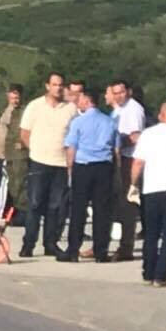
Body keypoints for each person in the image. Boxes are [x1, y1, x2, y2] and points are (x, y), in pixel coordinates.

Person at [59, 87, 118, 262]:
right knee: (102, 210)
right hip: (104, 167)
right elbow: (116, 149)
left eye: (80, 99)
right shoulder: (109, 122)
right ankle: (101, 251)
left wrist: (70, 169)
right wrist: (117, 172)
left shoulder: (78, 122)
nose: (78, 103)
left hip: (83, 166)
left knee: (78, 209)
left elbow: (71, 147)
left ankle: (73, 250)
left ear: (87, 101)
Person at [19, 72, 74, 257]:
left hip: (61, 164)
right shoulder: (35, 106)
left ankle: (50, 243)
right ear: (47, 86)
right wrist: (35, 151)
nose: (58, 88)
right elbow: (24, 133)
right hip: (39, 162)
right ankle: (28, 244)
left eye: (60, 85)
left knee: (55, 206)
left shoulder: (70, 109)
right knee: (35, 204)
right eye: (54, 84)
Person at [132, 101, 166, 286]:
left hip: (151, 189)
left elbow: (138, 163)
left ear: (160, 115)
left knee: (151, 233)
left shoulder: (148, 134)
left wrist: (133, 184)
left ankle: (148, 273)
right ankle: (160, 275)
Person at [110, 79, 147, 262]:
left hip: (130, 159)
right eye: (115, 93)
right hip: (120, 158)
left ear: (128, 92)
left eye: (121, 92)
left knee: (128, 204)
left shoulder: (133, 109)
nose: (118, 96)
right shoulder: (118, 109)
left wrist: (115, 142)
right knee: (120, 203)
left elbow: (135, 137)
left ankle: (127, 246)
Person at [1, 84, 28, 220]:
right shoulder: (9, 111)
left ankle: (23, 212)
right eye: (12, 97)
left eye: (17, 97)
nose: (15, 100)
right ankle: (16, 211)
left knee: (20, 183)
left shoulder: (25, 111)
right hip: (9, 152)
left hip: (20, 153)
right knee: (12, 184)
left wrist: (23, 142)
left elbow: (28, 129)